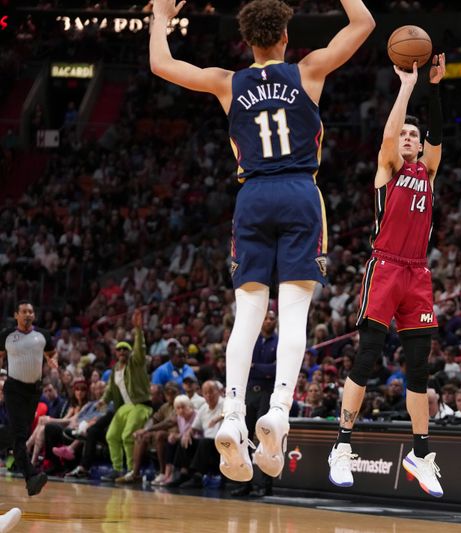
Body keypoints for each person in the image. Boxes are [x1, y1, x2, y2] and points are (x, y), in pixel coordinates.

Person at [149, 0, 375, 483]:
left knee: (247, 317)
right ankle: (277, 410)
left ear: (247, 42)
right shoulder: (309, 70)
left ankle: (232, 414)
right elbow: (365, 23)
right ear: (286, 37)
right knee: (294, 314)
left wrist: (162, 15)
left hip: (252, 196)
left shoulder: (228, 82)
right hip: (298, 193)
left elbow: (161, 64)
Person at [327, 54, 446, 497]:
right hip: (386, 265)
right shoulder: (388, 169)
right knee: (369, 354)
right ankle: (342, 445)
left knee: (420, 367)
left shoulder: (429, 173)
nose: (411, 139)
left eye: (416, 135)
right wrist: (406, 87)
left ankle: (419, 453)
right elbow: (390, 135)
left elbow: (437, 137)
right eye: (407, 136)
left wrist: (433, 88)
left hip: (417, 273)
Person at [0, 301, 58, 496]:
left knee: (20, 433)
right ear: (16, 315)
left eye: (31, 312)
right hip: (14, 389)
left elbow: (51, 353)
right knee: (19, 436)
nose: (27, 314)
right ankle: (31, 477)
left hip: (34, 390)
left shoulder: (43, 335)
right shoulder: (6, 335)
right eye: (24, 311)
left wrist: (53, 361)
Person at [99, 310, 153, 481]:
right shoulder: (115, 369)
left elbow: (140, 349)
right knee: (111, 436)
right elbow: (109, 388)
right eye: (119, 349)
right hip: (126, 407)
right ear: (115, 353)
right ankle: (117, 469)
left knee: (127, 435)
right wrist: (104, 400)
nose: (122, 351)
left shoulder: (136, 363)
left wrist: (138, 330)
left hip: (141, 405)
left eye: (125, 349)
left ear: (129, 352)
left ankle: (132, 471)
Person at [232, 310, 278, 498]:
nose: (268, 321)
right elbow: (243, 364)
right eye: (265, 318)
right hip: (250, 393)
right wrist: (260, 369)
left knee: (265, 437)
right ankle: (245, 483)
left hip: (268, 393)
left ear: (275, 322)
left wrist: (255, 367)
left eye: (271, 319)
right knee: (245, 437)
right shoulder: (252, 340)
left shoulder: (279, 342)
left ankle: (266, 485)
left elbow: (275, 370)